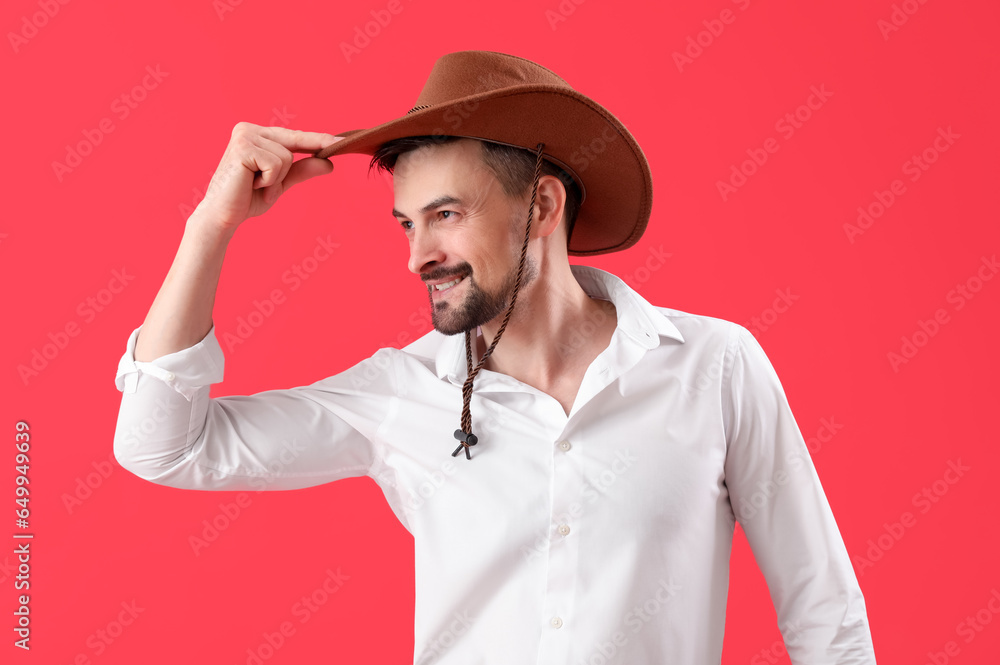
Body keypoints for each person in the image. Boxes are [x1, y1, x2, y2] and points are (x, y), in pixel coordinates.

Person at [113, 50, 877, 664]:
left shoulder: (715, 366)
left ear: (541, 208)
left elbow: (824, 612)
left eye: (445, 215)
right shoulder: (399, 392)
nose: (418, 256)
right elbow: (163, 446)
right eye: (406, 224)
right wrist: (209, 225)